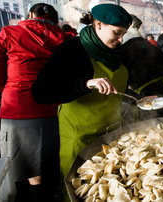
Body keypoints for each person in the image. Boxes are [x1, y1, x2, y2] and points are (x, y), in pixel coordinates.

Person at [32, 4, 132, 178]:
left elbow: (118, 90)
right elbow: (41, 92)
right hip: (79, 139)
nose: (121, 39)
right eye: (117, 32)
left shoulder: (118, 54)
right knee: (77, 187)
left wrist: (139, 99)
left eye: (124, 34)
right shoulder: (71, 50)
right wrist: (85, 84)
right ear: (99, 24)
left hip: (112, 136)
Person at [0, 3, 66, 201]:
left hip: (18, 106)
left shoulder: (10, 33)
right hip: (53, 108)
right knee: (48, 159)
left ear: (29, 14)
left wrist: (3, 86)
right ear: (54, 19)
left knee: (22, 164)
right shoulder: (63, 38)